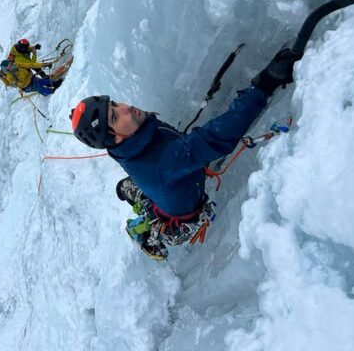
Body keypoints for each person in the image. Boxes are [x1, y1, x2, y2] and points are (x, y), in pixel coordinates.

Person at [69, 47, 299, 259]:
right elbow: (212, 138)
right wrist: (264, 85)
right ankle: (139, 231)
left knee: (144, 188)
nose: (125, 107)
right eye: (115, 116)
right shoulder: (162, 162)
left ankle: (126, 189)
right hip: (180, 217)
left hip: (165, 182)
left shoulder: (135, 136)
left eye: (115, 105)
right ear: (115, 138)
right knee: (152, 215)